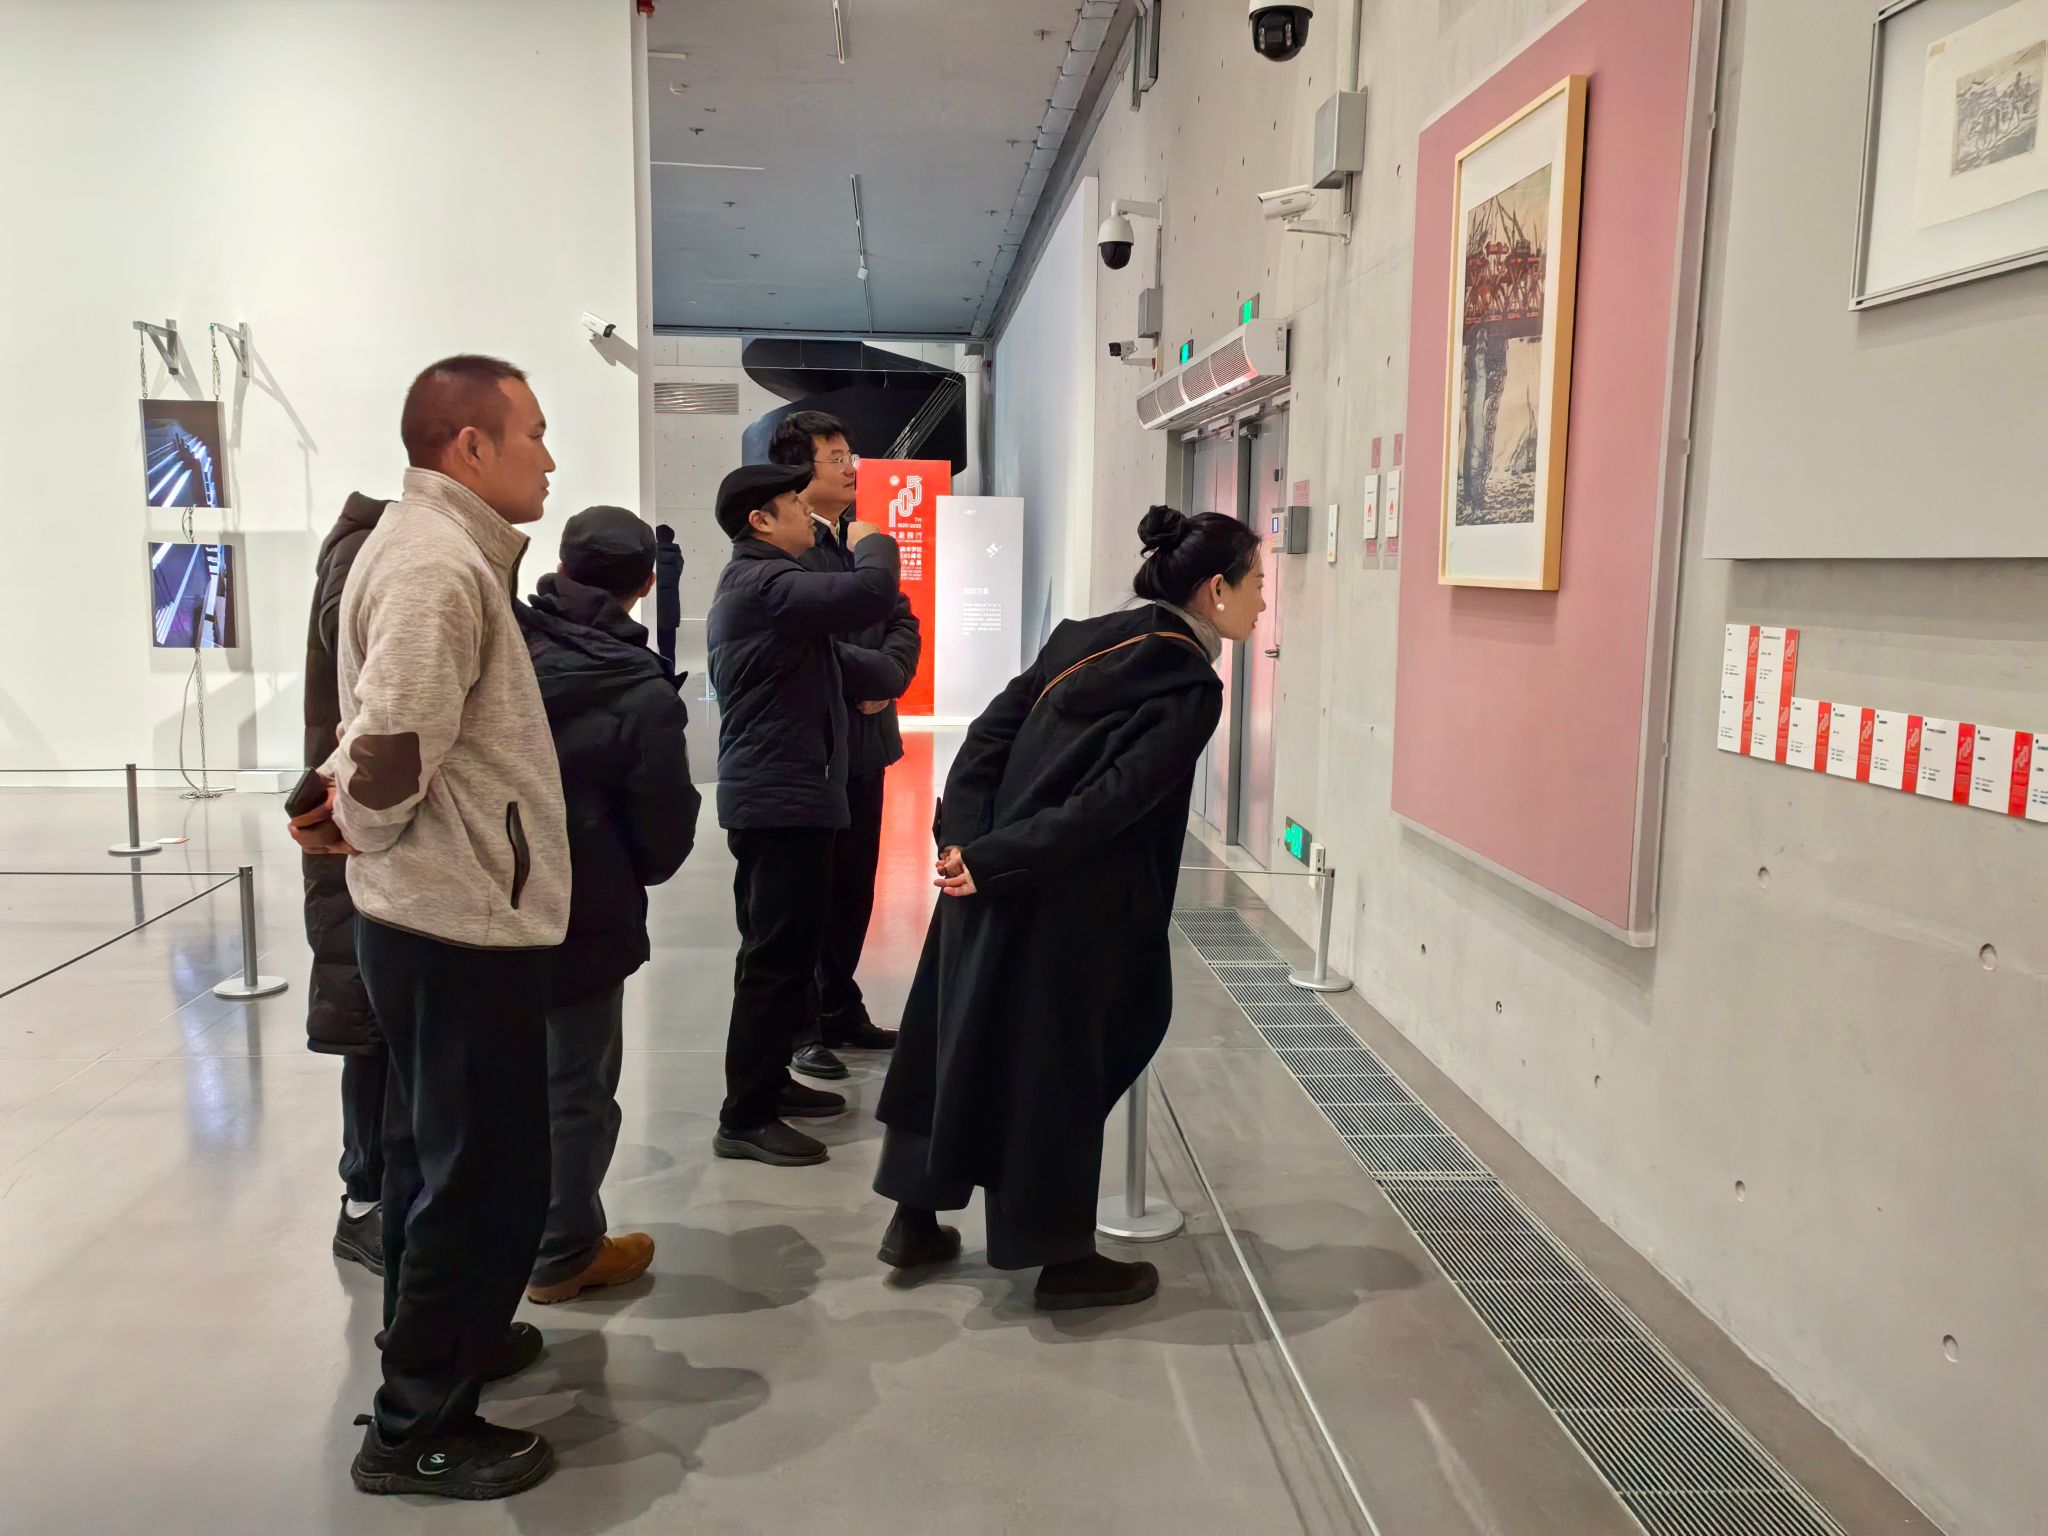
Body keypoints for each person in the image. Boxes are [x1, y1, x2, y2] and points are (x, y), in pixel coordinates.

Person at [288, 354, 569, 1501]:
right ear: (470, 446)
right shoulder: (436, 563)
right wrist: (353, 820)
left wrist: (342, 812)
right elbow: (393, 739)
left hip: (441, 913)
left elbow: (375, 729)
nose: (549, 458)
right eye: (534, 434)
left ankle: (448, 1343)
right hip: (455, 920)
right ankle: (417, 1428)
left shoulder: (431, 548)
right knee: (481, 1178)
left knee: (434, 1157)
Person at [872, 505, 1264, 1311]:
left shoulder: (1080, 637)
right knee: (1054, 1069)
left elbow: (986, 736)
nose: (1264, 602)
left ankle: (914, 1219)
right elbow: (1114, 801)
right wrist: (997, 860)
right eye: (1258, 583)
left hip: (986, 873)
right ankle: (1059, 1259)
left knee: (954, 1033)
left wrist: (967, 842)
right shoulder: (1192, 687)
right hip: (1072, 898)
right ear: (1216, 590)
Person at [516, 506, 700, 1305]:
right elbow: (663, 833)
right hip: (583, 911)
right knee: (575, 1088)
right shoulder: (638, 688)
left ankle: (495, 1245)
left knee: (483, 1082)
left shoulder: (502, 643)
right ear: (647, 583)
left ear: (561, 565)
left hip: (480, 900)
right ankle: (562, 1254)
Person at [706, 462, 901, 1167]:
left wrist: (887, 672)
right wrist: (873, 539)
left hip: (792, 796)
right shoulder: (764, 584)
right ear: (760, 520)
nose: (807, 514)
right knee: (774, 959)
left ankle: (769, 1085)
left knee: (786, 954)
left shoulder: (776, 594)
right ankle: (745, 1117)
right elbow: (872, 591)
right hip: (778, 797)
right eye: (793, 503)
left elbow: (876, 666)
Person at [770, 410, 922, 1082]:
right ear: (798, 469)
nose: (851, 468)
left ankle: (838, 1005)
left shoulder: (856, 539)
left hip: (867, 745)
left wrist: (889, 678)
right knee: (809, 893)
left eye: (850, 456)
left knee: (855, 888)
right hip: (814, 749)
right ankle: (802, 1025)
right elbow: (808, 644)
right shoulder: (786, 546)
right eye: (836, 459)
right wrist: (869, 677)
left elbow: (902, 619)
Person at [301, 491, 390, 1276]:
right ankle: (365, 1201)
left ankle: (381, 1194)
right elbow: (375, 713)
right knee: (369, 1026)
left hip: (367, 833)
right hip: (358, 838)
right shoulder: (369, 554)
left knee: (383, 1025)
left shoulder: (371, 549)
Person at [654, 522, 682, 669]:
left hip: (653, 610)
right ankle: (670, 679)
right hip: (671, 610)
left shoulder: (653, 558)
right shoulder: (677, 557)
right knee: (668, 651)